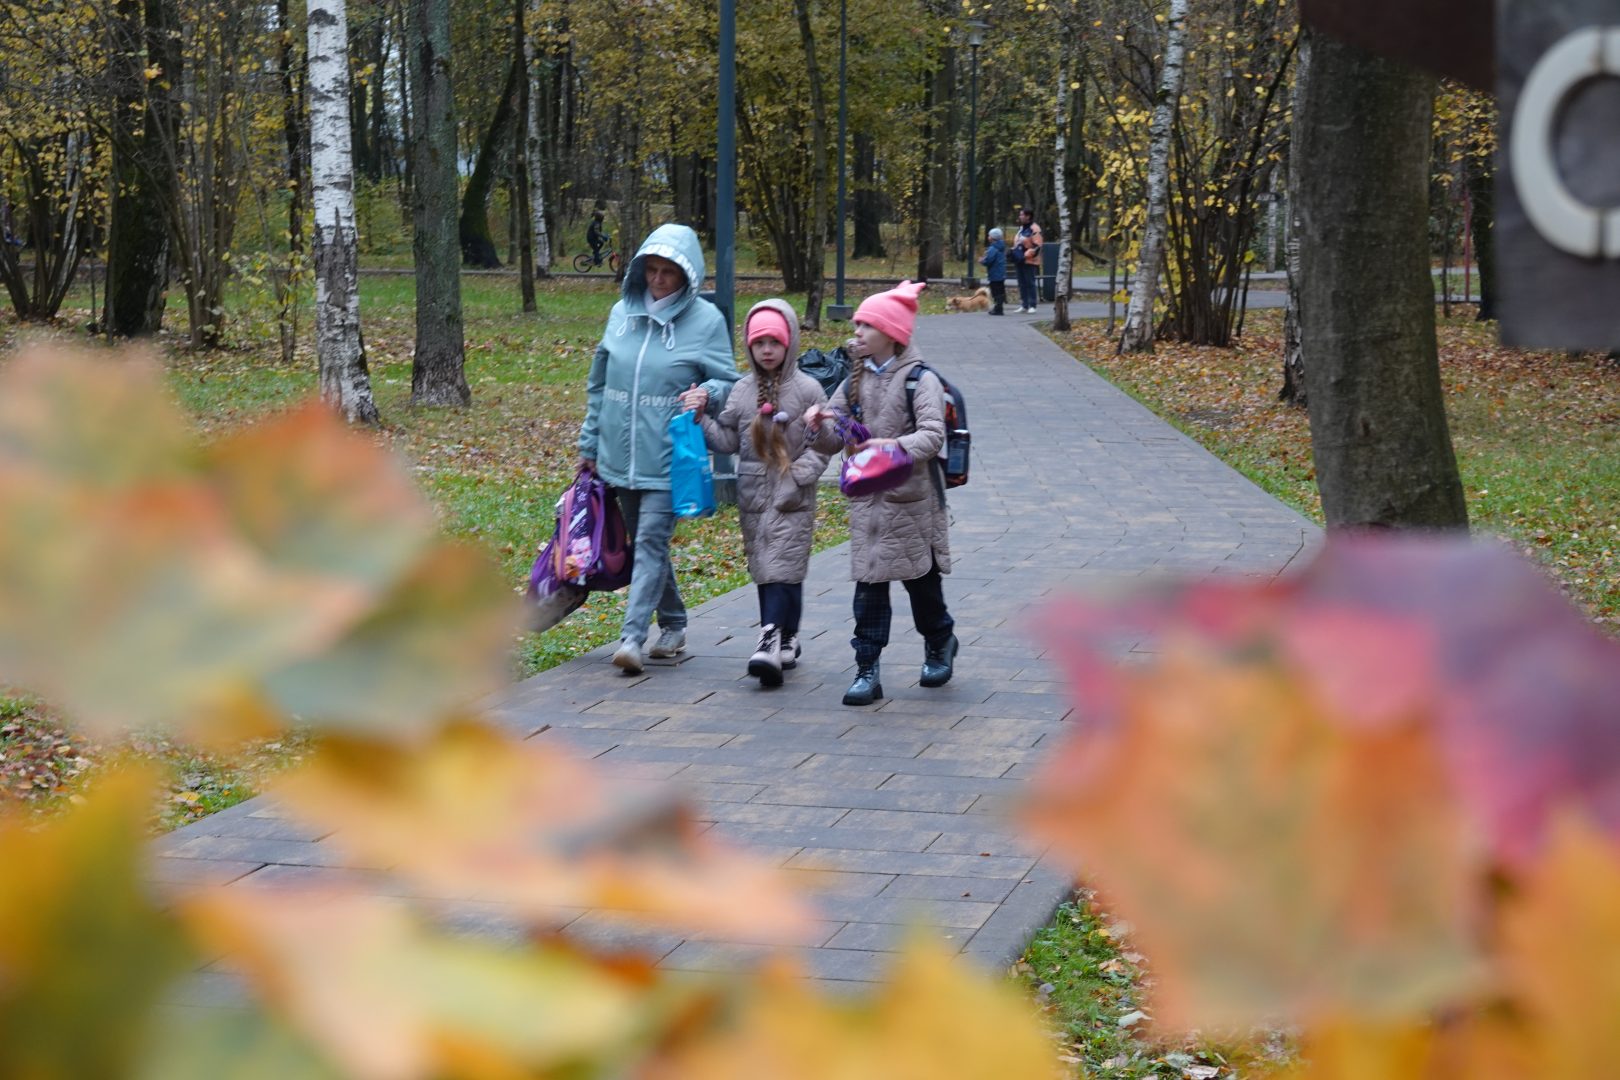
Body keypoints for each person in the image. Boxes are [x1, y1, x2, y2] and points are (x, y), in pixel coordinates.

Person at [578, 223, 740, 674]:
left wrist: (706, 393)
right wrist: (589, 442)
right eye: (651, 270)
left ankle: (631, 637)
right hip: (618, 453)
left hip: (671, 455)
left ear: (687, 276)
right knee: (644, 543)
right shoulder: (620, 314)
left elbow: (728, 381)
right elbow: (598, 383)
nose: (658, 280)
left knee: (651, 540)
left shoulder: (706, 322)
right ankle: (673, 621)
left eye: (668, 272)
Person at [805, 280, 956, 706]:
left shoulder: (920, 380)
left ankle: (939, 643)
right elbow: (837, 435)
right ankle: (866, 670)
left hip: (910, 503)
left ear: (890, 333)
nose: (855, 333)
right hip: (867, 505)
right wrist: (819, 425)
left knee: (921, 586)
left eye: (864, 325)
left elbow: (931, 437)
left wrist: (886, 447)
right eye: (855, 324)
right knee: (869, 591)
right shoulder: (855, 378)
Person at [684, 300, 829, 687]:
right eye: (759, 342)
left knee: (784, 564)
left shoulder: (808, 389)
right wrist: (702, 420)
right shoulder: (742, 391)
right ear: (748, 347)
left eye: (774, 342)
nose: (767, 350)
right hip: (752, 496)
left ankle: (768, 638)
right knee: (767, 569)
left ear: (790, 344)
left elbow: (827, 444)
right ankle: (787, 635)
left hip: (792, 494)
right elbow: (728, 440)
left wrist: (802, 472)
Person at [1012, 207, 1042, 313]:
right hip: (1019, 259)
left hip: (1029, 260)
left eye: (1022, 215)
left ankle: (1032, 305)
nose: (1020, 217)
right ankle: (1024, 304)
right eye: (1020, 215)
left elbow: (1037, 245)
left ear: (1028, 216)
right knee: (1021, 283)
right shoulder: (1021, 229)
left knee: (1030, 282)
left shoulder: (1034, 229)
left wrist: (1028, 254)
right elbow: (1017, 242)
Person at [979, 227, 1007, 316]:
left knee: (995, 291)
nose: (988, 237)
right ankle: (1000, 307)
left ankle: (998, 308)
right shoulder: (1001, 246)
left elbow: (989, 260)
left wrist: (982, 260)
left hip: (995, 274)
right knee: (1000, 290)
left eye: (989, 235)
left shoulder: (993, 248)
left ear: (992, 237)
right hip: (1001, 273)